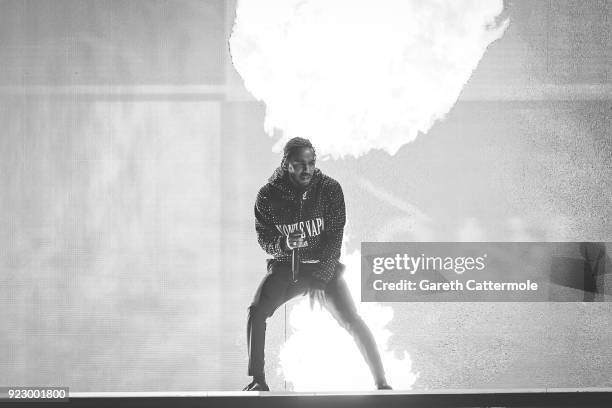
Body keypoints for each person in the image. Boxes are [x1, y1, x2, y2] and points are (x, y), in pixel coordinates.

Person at [243, 137, 392, 391]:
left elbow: (335, 238)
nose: (307, 169)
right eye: (300, 164)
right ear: (286, 163)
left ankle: (382, 382)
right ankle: (258, 380)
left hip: (324, 268)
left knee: (351, 319)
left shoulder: (330, 189)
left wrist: (321, 280)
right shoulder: (267, 196)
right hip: (286, 268)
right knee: (256, 312)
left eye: (311, 163)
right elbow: (264, 239)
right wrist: (284, 243)